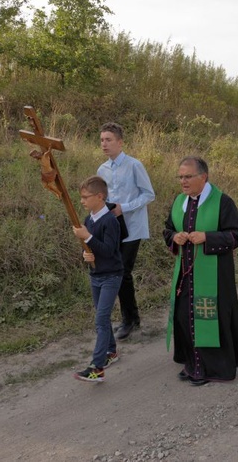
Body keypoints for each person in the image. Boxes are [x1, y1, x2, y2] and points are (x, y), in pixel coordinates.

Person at [163, 157, 238, 386]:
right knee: (184, 317)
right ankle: (192, 362)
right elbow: (167, 229)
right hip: (186, 275)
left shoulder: (223, 202)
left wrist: (207, 237)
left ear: (203, 177)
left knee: (209, 318)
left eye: (188, 176)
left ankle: (212, 368)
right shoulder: (180, 201)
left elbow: (237, 236)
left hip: (214, 277)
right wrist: (175, 237)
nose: (183, 181)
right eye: (180, 177)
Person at [97, 122, 156, 340]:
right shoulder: (101, 169)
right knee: (117, 272)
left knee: (122, 272)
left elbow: (149, 194)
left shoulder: (134, 165)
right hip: (113, 228)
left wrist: (125, 207)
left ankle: (128, 320)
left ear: (120, 143)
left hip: (133, 228)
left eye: (109, 140)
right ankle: (132, 317)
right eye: (102, 140)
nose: (104, 144)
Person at [71, 176, 124, 382]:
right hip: (96, 275)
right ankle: (111, 351)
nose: (82, 201)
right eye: (81, 197)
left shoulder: (110, 220)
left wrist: (88, 237)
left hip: (111, 275)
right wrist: (86, 254)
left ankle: (97, 367)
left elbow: (110, 251)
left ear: (100, 197)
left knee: (101, 320)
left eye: (86, 197)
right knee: (101, 316)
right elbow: (91, 249)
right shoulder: (88, 220)